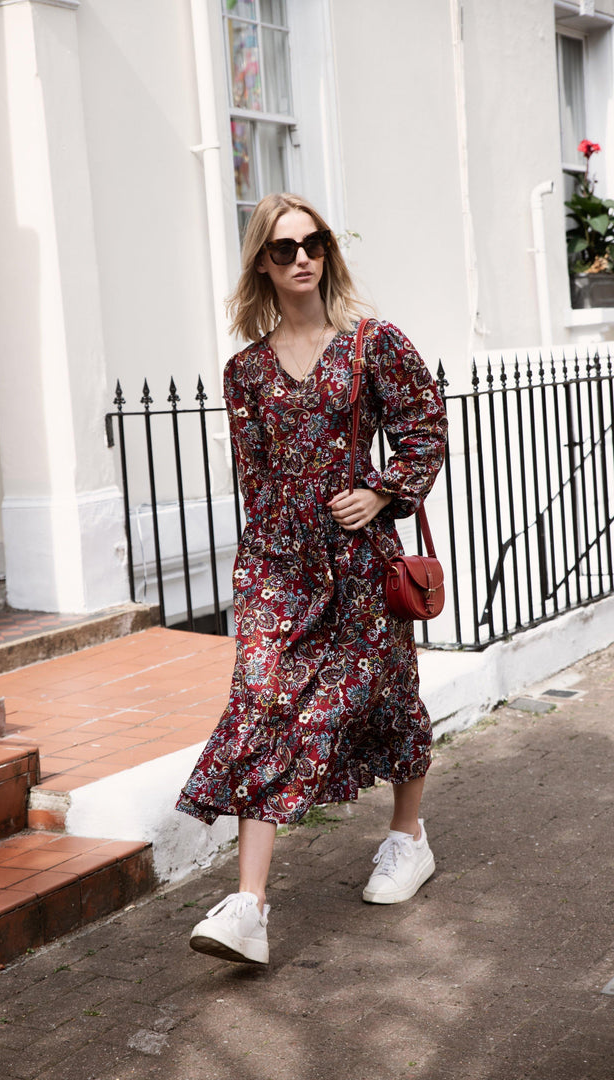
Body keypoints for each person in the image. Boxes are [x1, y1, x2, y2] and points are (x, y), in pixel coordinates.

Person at [175, 193, 447, 966]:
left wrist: (386, 489)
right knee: (260, 705)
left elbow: (426, 428)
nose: (302, 257)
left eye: (314, 243)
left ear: (327, 251)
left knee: (384, 695)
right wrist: (260, 573)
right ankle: (249, 906)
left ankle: (407, 837)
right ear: (262, 261)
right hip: (278, 567)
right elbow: (253, 478)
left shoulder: (371, 343)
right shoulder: (246, 371)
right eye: (285, 247)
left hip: (361, 561)